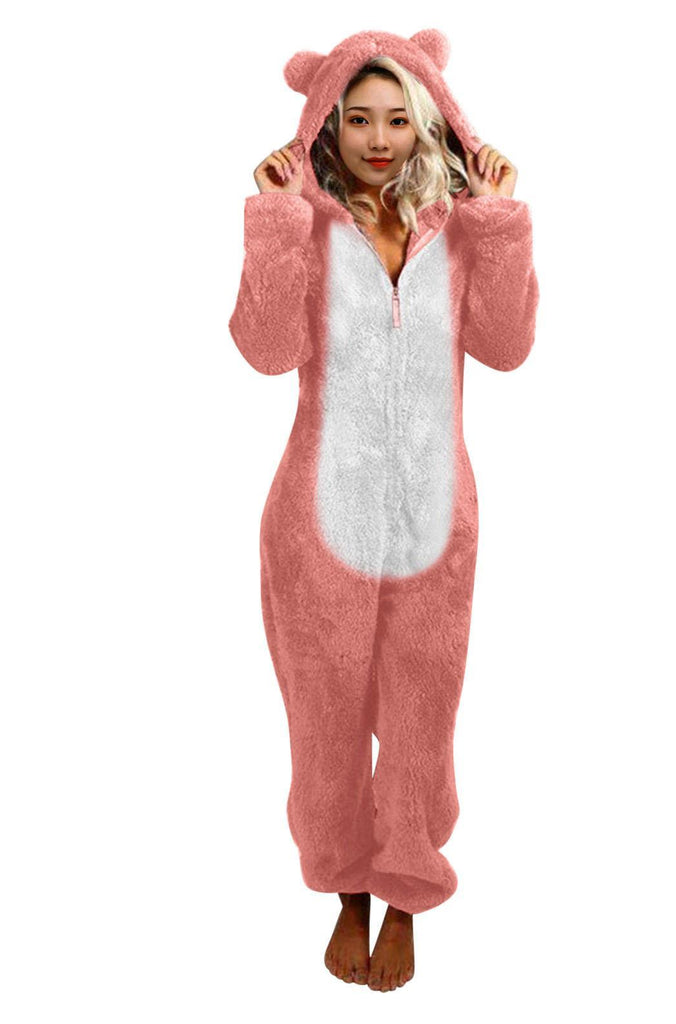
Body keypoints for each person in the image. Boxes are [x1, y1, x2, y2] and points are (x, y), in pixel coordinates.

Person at [229, 29, 539, 992]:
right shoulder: (308, 227)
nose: (377, 138)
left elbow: (506, 346)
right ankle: (345, 887)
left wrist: (501, 220)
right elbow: (266, 350)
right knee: (324, 718)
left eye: (398, 119)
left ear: (430, 122)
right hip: (318, 519)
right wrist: (276, 221)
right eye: (357, 118)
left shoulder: (459, 228)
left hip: (435, 520)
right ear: (325, 123)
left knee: (420, 715)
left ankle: (404, 891)